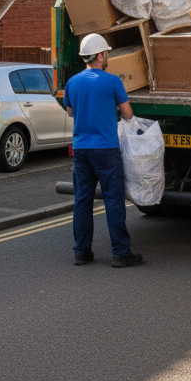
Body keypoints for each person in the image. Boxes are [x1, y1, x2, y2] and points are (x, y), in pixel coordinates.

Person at [62, 33, 143, 268]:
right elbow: (127, 115)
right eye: (106, 53)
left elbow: (69, 111)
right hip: (106, 150)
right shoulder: (112, 81)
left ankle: (82, 252)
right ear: (100, 55)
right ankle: (120, 253)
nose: (107, 57)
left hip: (81, 150)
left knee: (83, 201)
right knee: (113, 201)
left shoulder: (72, 82)